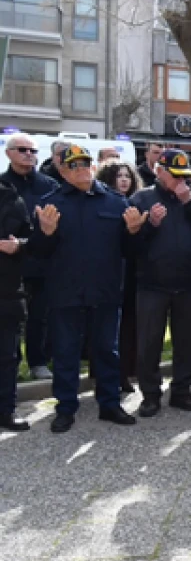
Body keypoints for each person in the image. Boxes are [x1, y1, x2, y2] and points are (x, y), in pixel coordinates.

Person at [32, 144, 148, 433]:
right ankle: (66, 408)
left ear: (94, 167)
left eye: (85, 163)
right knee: (66, 352)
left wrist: (134, 232)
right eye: (74, 165)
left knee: (107, 351)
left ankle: (109, 404)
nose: (82, 168)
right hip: (65, 292)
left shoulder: (116, 202)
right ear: (63, 171)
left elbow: (130, 251)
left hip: (105, 291)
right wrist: (45, 234)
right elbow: (38, 253)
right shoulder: (51, 204)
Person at [129, 149, 191, 418]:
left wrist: (189, 203)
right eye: (175, 176)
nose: (181, 182)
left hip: (187, 284)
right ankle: (150, 395)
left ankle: (182, 391)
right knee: (149, 342)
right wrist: (149, 224)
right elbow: (130, 245)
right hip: (152, 284)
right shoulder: (141, 198)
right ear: (160, 172)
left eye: (185, 177)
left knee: (187, 342)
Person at [1, 135, 57, 380]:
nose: (28, 154)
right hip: (9, 266)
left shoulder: (49, 185)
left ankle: (38, 362)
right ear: (8, 153)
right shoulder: (2, 186)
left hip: (42, 262)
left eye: (32, 150)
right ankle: (12, 367)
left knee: (40, 316)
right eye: (22, 150)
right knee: (11, 323)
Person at [97, 159, 143, 393]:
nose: (124, 180)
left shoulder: (136, 202)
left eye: (127, 175)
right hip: (109, 273)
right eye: (119, 176)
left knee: (129, 327)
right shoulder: (102, 203)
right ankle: (107, 374)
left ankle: (125, 372)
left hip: (133, 273)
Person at [0, 173, 31, 431]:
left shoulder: (11, 198)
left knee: (8, 357)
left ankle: (6, 411)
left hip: (7, 291)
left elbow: (31, 240)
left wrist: (19, 246)